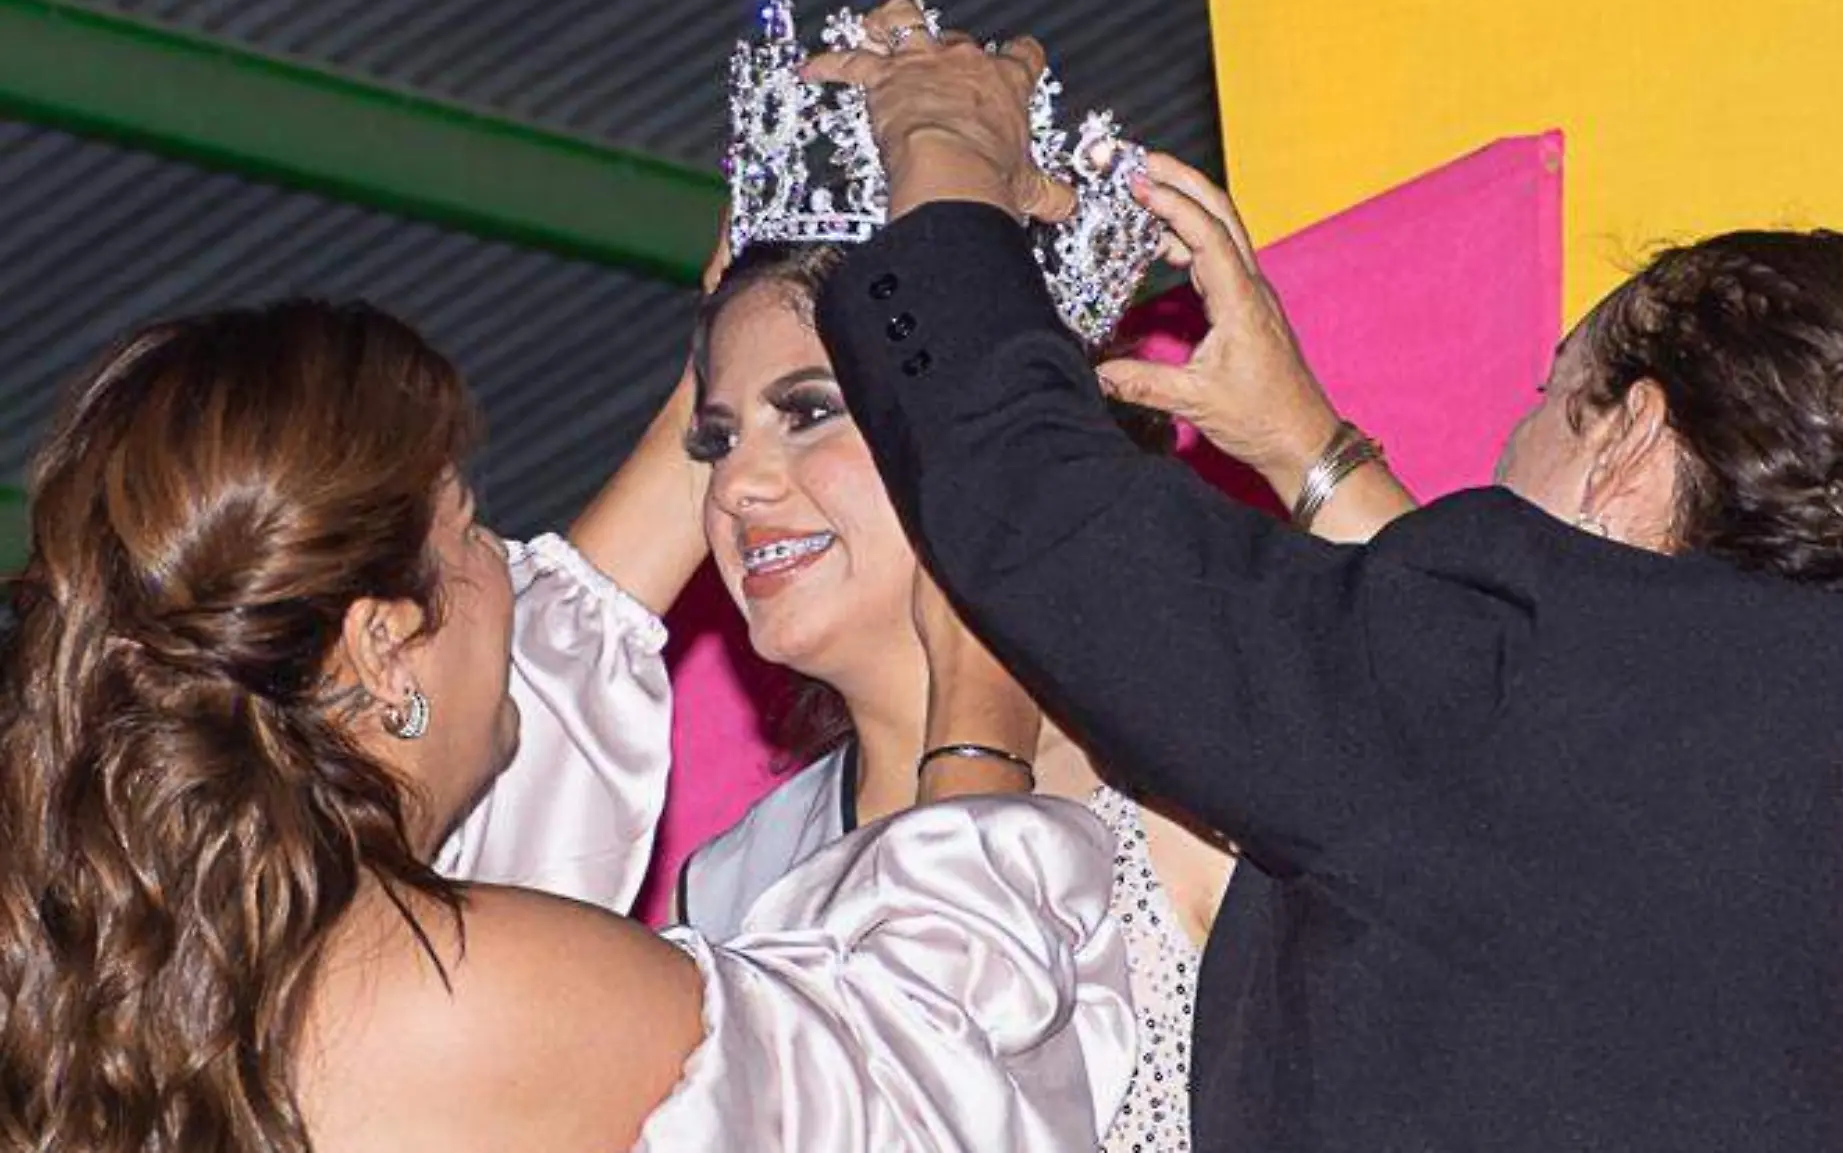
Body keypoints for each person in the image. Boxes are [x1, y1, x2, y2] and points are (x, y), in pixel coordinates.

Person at [803, 0, 1843, 1153]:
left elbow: (1039, 504)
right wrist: (1304, 446)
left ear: (1629, 438)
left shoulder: (1529, 692)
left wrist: (944, 150)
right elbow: (1476, 732)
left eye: (1541, 400)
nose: (1503, 437)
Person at [0, 300, 1135, 1152]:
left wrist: (738, 352)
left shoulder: (181, 978)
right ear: (383, 647)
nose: (514, 573)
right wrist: (981, 706)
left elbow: (537, 686)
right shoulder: (437, 991)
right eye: (477, 531)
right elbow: (925, 1096)